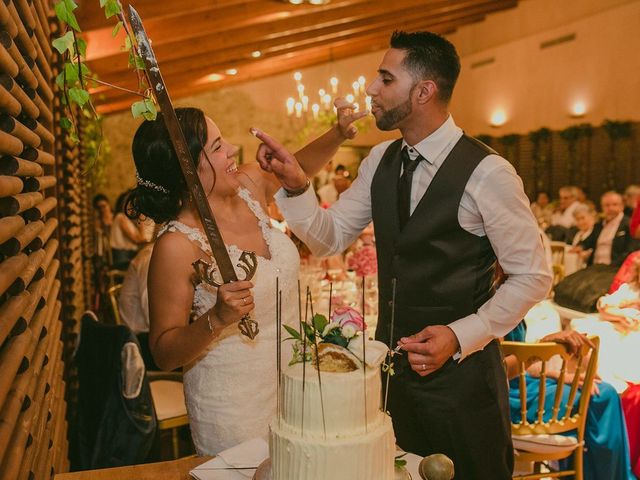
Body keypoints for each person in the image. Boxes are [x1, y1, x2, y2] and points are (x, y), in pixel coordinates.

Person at [253, 31, 552, 478]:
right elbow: (328, 238)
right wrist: (297, 186)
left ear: (423, 91)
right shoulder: (379, 160)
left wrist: (460, 333)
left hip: (463, 388)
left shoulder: (488, 172)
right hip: (392, 385)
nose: (371, 89)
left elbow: (534, 275)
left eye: (385, 78)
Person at [125, 107, 358, 455]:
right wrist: (216, 319)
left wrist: (338, 132)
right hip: (233, 406)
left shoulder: (249, 187)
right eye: (218, 147)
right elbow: (163, 352)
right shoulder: (176, 245)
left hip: (297, 385)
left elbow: (298, 166)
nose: (232, 149)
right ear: (188, 169)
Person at [504, 323, 635, 480]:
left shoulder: (512, 311)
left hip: (525, 384)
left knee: (603, 392)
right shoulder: (493, 310)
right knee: (600, 397)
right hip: (507, 396)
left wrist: (557, 374)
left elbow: (521, 365)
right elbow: (500, 369)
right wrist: (540, 346)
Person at [578, 191, 638, 267]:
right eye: (606, 205)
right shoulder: (599, 225)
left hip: (615, 268)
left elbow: (630, 251)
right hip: (594, 267)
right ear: (602, 207)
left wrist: (612, 266)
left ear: (622, 206)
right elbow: (589, 241)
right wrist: (580, 247)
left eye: (614, 205)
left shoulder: (628, 225)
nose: (610, 208)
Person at [110, 190, 147, 270]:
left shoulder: (125, 219)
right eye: (130, 202)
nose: (132, 205)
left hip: (127, 256)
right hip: (123, 259)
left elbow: (140, 239)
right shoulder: (121, 218)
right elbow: (137, 240)